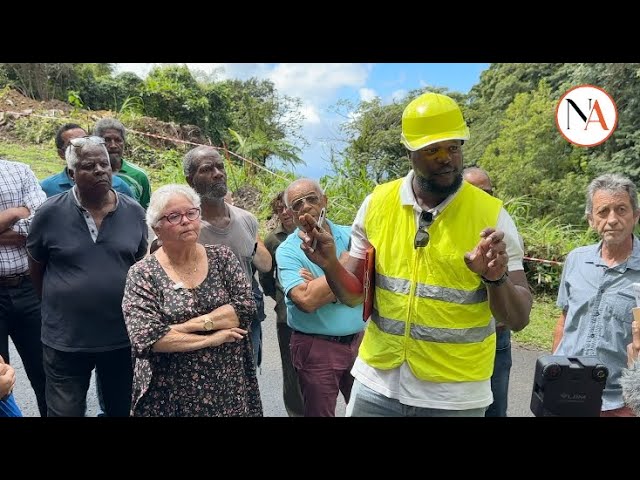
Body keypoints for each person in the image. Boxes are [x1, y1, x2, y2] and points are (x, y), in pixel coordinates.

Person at [298, 92, 532, 417]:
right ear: (409, 151)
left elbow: (518, 318)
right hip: (377, 384)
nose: (446, 158)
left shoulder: (492, 216)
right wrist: (330, 263)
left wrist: (497, 279)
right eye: (432, 149)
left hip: (455, 397)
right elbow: (354, 295)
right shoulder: (378, 203)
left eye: (453, 147)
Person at [27, 135, 148, 417]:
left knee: (122, 410)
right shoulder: (49, 213)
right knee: (64, 412)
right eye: (88, 165)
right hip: (65, 340)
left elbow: (140, 265)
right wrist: (60, 303)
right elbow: (36, 267)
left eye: (104, 164)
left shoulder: (134, 212)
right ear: (71, 174)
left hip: (121, 336)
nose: (99, 170)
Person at [121, 184, 262, 416]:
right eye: (174, 216)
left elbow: (245, 308)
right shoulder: (142, 274)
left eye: (191, 213)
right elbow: (146, 338)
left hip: (228, 386)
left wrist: (183, 327)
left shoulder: (222, 258)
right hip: (168, 392)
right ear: (156, 227)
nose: (186, 221)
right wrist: (212, 338)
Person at [553, 173, 640, 417]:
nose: (612, 219)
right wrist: (553, 372)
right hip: (567, 393)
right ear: (591, 220)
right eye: (603, 212)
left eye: (621, 209)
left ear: (636, 215)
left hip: (621, 403)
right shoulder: (576, 259)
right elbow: (565, 320)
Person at [276, 179, 365, 417]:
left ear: (325, 201)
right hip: (316, 347)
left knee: (366, 410)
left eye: (312, 199)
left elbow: (368, 288)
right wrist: (345, 265)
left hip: (360, 343)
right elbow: (306, 300)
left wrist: (320, 281)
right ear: (291, 214)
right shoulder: (287, 250)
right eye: (297, 204)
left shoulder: (353, 237)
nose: (306, 206)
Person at [182, 145, 272, 367]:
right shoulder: (184, 225)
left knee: (246, 387)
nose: (218, 173)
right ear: (190, 180)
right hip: (201, 324)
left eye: (220, 166)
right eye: (207, 169)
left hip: (245, 322)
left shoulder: (246, 219)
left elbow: (266, 265)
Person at [463, 167, 524, 417]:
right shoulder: (445, 221)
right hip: (453, 341)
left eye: (487, 193)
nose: (482, 199)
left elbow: (519, 290)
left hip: (496, 335)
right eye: (473, 193)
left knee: (495, 407)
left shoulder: (502, 223)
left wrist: (497, 276)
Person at [0, 158, 48, 417]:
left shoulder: (20, 171)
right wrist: (16, 212)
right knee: (0, 383)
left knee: (46, 375)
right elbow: (27, 222)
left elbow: (39, 223)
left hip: (30, 288)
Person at [258, 191, 304, 417]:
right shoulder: (273, 240)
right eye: (280, 209)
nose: (285, 213)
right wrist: (278, 298)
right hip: (286, 315)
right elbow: (266, 277)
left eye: (288, 208)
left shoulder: (315, 234)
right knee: (291, 370)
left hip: (316, 313)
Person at [41, 123, 134, 199]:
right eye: (74, 144)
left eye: (86, 140)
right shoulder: (46, 189)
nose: (84, 147)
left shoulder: (119, 185)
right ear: (61, 153)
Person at [93, 118, 151, 209]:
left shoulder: (139, 176)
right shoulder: (89, 174)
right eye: (107, 140)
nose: (113, 145)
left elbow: (146, 214)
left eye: (118, 140)